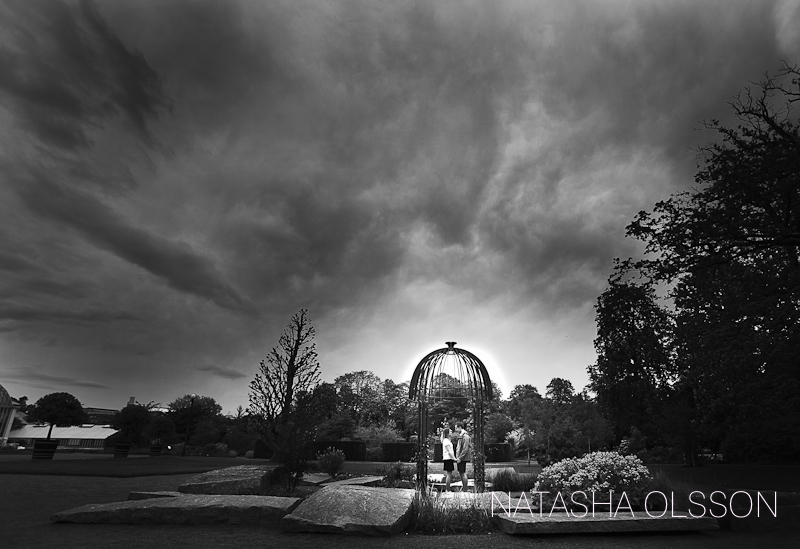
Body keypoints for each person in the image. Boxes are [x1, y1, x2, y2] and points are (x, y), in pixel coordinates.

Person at [455, 422, 472, 491]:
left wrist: (460, 458)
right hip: (460, 457)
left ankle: (465, 488)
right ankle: (464, 488)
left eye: (456, 427)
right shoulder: (461, 436)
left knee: (462, 472)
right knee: (461, 472)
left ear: (460, 427)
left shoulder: (465, 436)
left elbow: (465, 448)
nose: (455, 429)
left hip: (462, 458)